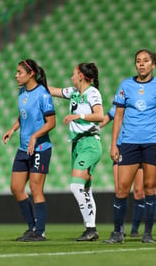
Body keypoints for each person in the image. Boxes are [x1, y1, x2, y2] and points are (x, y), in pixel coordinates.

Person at [103, 49, 156, 244]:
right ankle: (118, 233)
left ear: (153, 64)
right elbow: (117, 116)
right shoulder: (126, 85)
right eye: (138, 61)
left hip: (152, 142)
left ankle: (147, 234)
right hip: (129, 142)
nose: (141, 64)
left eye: (145, 61)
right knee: (122, 189)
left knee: (150, 187)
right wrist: (113, 144)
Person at [49, 63, 104, 241]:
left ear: (81, 75)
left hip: (89, 144)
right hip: (77, 144)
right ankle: (91, 229)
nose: (71, 77)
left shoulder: (92, 92)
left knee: (75, 186)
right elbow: (53, 91)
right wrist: (34, 83)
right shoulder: (73, 92)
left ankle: (91, 228)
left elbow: (100, 115)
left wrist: (78, 116)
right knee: (86, 189)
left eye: (73, 74)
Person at [3, 59, 56, 241]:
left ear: (31, 73)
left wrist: (34, 136)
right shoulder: (22, 92)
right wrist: (12, 129)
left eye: (19, 72)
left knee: (35, 188)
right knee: (16, 188)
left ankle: (39, 232)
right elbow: (23, 114)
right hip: (23, 148)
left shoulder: (43, 94)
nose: (16, 75)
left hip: (40, 148)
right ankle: (31, 227)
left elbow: (51, 122)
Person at [100, 105, 145, 237]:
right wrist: (92, 127)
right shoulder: (119, 106)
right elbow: (106, 119)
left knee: (139, 191)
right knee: (119, 188)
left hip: (139, 147)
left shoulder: (141, 104)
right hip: (122, 148)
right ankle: (119, 227)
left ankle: (135, 229)